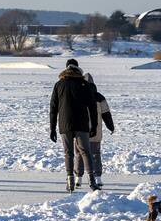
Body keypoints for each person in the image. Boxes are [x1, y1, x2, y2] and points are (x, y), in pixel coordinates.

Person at [49, 59, 99, 191]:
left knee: (68, 152)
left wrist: (52, 128)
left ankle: (70, 181)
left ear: (66, 69)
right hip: (82, 123)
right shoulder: (84, 84)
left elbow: (53, 108)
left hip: (65, 124)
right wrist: (94, 125)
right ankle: (92, 181)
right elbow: (92, 107)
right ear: (78, 68)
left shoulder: (59, 84)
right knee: (85, 151)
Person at [81, 73, 115, 189]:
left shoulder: (78, 95)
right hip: (96, 132)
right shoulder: (99, 97)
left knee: (79, 154)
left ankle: (78, 178)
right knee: (95, 155)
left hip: (81, 132)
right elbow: (106, 114)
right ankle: (98, 177)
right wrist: (111, 126)